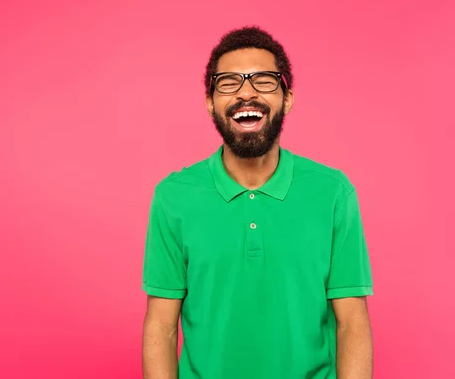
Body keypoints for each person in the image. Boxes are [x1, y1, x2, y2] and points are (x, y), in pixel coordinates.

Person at [141, 26, 374, 379]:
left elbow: (352, 323)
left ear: (287, 97)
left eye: (263, 80)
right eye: (228, 82)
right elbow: (161, 325)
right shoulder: (174, 196)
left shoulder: (333, 192)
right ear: (210, 103)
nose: (246, 92)